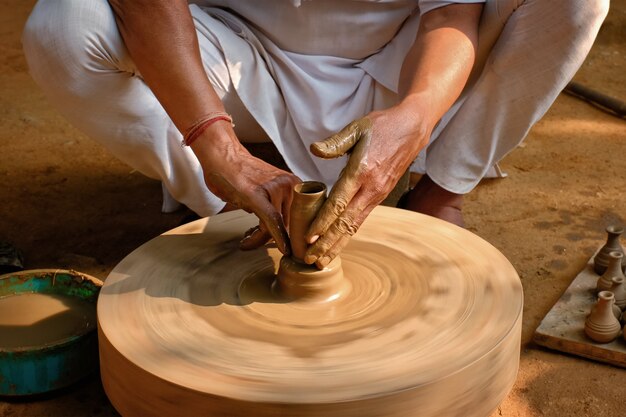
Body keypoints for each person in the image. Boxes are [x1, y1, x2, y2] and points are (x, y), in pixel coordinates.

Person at [22, 0, 608, 268]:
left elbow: (449, 15)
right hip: (224, 57)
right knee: (64, 26)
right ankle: (227, 201)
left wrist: (417, 114)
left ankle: (439, 193)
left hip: (392, 63)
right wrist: (216, 145)